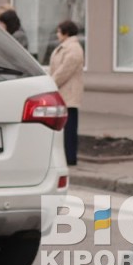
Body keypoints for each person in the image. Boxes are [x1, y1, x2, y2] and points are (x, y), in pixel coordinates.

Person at [47, 20, 84, 167]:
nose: (57, 34)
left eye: (58, 31)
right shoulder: (66, 47)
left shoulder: (73, 49)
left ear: (66, 32)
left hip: (69, 94)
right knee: (64, 127)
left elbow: (65, 70)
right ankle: (65, 156)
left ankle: (70, 157)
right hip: (63, 93)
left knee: (69, 129)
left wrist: (50, 83)